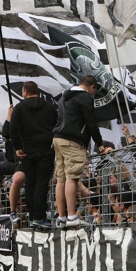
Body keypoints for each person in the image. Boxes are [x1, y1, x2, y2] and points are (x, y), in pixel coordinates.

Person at [53, 75, 112, 228]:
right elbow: (91, 122)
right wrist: (99, 144)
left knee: (61, 179)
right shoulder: (85, 98)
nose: (93, 95)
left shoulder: (63, 97)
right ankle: (72, 216)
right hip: (72, 140)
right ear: (92, 87)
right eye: (94, 91)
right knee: (72, 177)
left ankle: (62, 218)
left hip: (58, 138)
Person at [10, 81, 57, 228]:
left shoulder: (19, 108)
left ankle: (32, 215)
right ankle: (39, 216)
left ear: (24, 92)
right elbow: (57, 125)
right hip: (46, 149)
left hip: (27, 151)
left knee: (30, 183)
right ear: (38, 91)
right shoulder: (50, 107)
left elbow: (13, 129)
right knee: (42, 183)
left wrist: (18, 147)